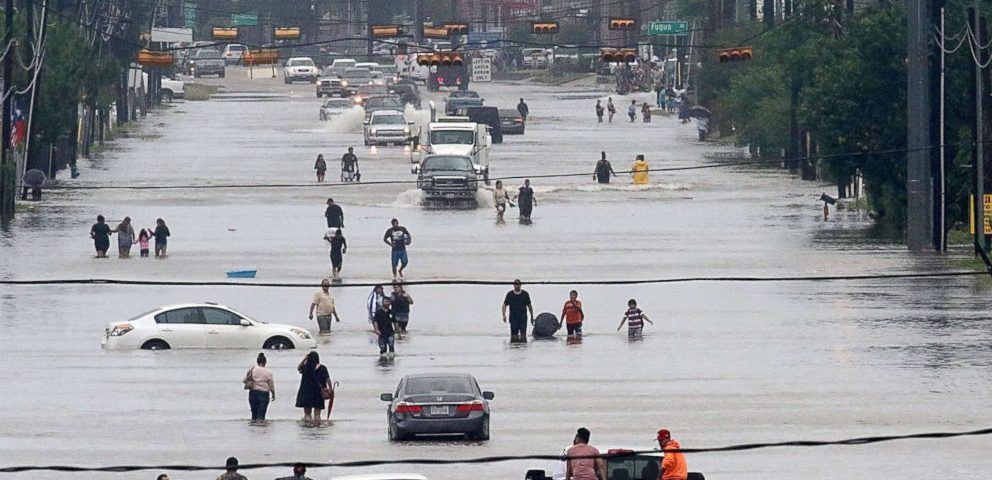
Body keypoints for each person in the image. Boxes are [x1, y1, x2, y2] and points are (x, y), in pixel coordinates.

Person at [295, 351, 332, 426]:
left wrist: (305, 358)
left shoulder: (306, 367)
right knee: (317, 414)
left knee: (307, 414)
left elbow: (298, 367)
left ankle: (308, 428)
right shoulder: (322, 368)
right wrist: (331, 390)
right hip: (319, 392)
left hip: (306, 392)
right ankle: (317, 428)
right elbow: (328, 380)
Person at [244, 352, 275, 425]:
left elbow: (244, 380)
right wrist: (273, 394)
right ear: (265, 362)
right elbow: (271, 385)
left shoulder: (252, 370)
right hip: (264, 394)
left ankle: (253, 430)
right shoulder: (268, 372)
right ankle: (261, 431)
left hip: (253, 393)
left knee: (254, 414)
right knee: (261, 416)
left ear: (257, 362)